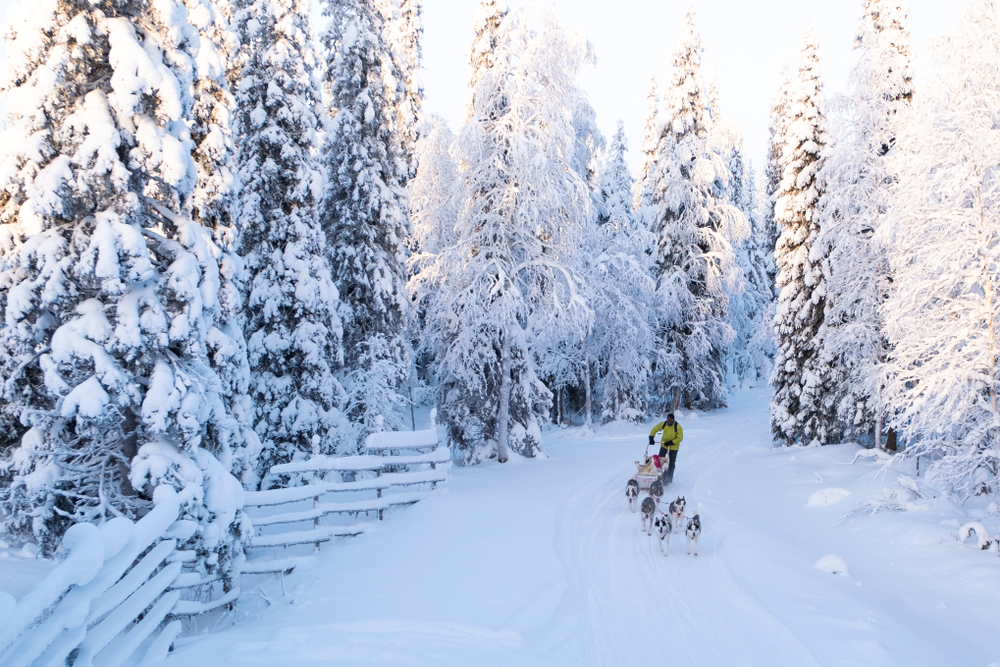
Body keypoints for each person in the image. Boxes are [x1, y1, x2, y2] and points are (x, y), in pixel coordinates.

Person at [649, 413, 683, 484]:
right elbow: (655, 428)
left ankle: (669, 477)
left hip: (673, 447)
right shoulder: (664, 424)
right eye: (668, 420)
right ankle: (660, 475)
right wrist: (651, 437)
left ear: (673, 420)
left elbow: (680, 438)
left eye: (671, 420)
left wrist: (671, 442)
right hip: (664, 445)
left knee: (671, 462)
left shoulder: (677, 426)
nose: (669, 421)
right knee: (660, 461)